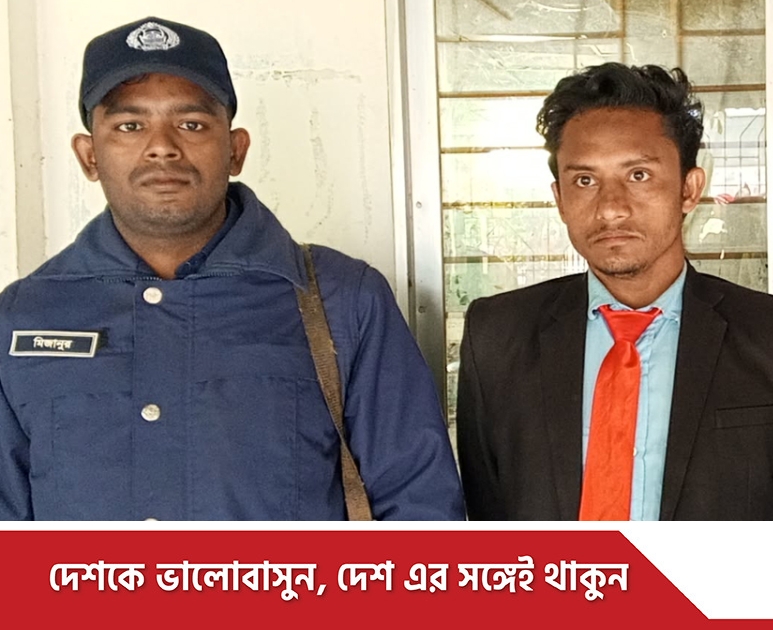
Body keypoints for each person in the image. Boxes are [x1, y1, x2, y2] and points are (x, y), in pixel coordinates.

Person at [0, 17, 464, 520]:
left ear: (236, 150)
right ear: (89, 156)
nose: (162, 146)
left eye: (192, 124)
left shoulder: (343, 299)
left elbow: (420, 509)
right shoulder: (21, 317)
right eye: (130, 126)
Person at [456, 62, 773, 520]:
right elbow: (487, 520)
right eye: (585, 180)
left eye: (638, 175)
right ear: (560, 200)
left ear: (689, 189)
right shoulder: (497, 337)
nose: (611, 209)